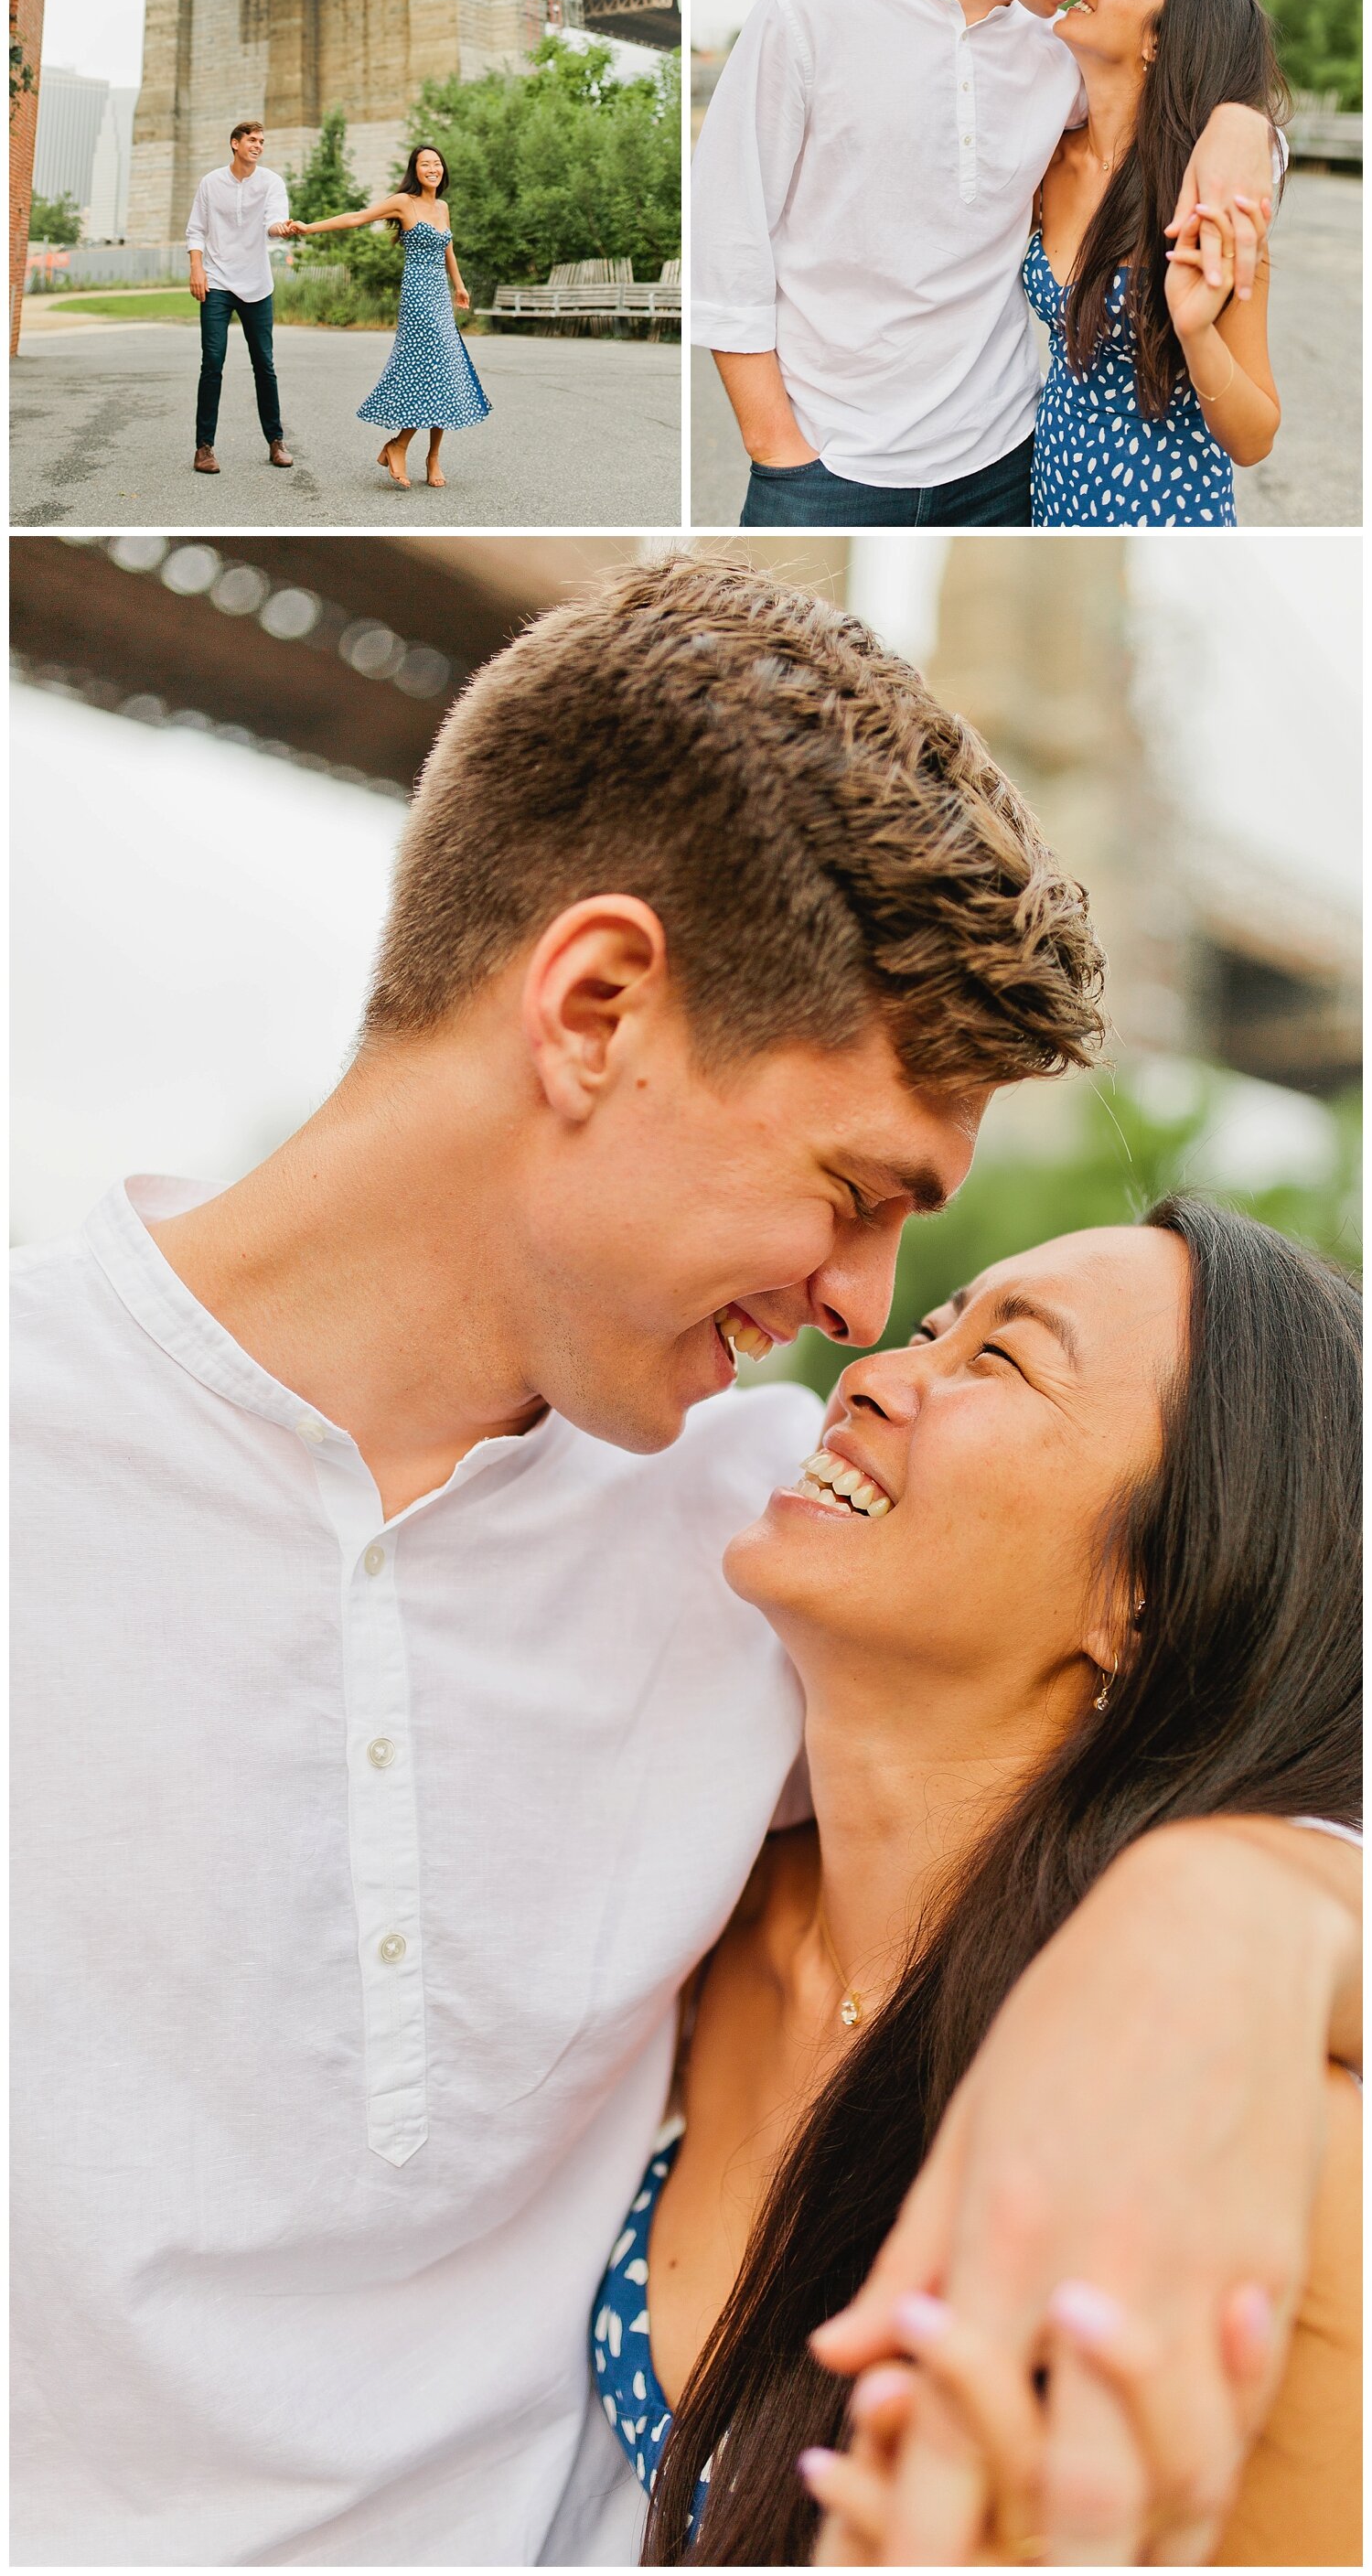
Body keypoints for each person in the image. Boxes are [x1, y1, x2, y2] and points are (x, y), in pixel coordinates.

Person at [12, 561, 1360, 2570]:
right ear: (595, 1008)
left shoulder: (757, 1542)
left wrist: (1218, 1920)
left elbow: (1194, 1708)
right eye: (853, 1189)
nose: (853, 1307)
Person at [589, 1204, 1360, 2567]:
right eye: (942, 1324)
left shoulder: (1237, 2134)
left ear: (1149, 1597)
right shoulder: (684, 1919)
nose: (878, 1367)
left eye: (1002, 1364)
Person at [692, 0, 1280, 530]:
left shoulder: (1059, 46)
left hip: (1005, 466)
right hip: (827, 469)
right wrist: (776, 444)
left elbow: (1178, 103)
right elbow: (725, 238)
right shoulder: (806, 16)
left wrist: (1242, 122)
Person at [1027, 0, 1284, 523]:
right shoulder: (1043, 161)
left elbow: (1254, 441)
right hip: (1050, 496)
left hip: (1166, 509)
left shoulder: (1205, 199)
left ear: (1159, 41)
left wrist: (1195, 333)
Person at [286, 141, 489, 489]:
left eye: (437, 163)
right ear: (415, 170)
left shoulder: (442, 207)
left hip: (440, 295)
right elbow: (357, 218)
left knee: (443, 371)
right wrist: (309, 228)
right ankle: (400, 445)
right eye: (425, 164)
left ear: (443, 170)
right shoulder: (403, 203)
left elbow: (448, 248)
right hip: (417, 297)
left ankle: (431, 455)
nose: (432, 169)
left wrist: (459, 284)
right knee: (431, 369)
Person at [186, 118, 295, 475]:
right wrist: (197, 269)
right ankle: (204, 448)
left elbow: (274, 220)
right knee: (212, 365)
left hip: (257, 285)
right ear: (235, 143)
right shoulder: (211, 182)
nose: (258, 145)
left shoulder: (271, 182)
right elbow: (196, 231)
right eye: (252, 139)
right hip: (216, 282)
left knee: (264, 365)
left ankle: (276, 441)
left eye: (262, 141)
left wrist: (280, 228)